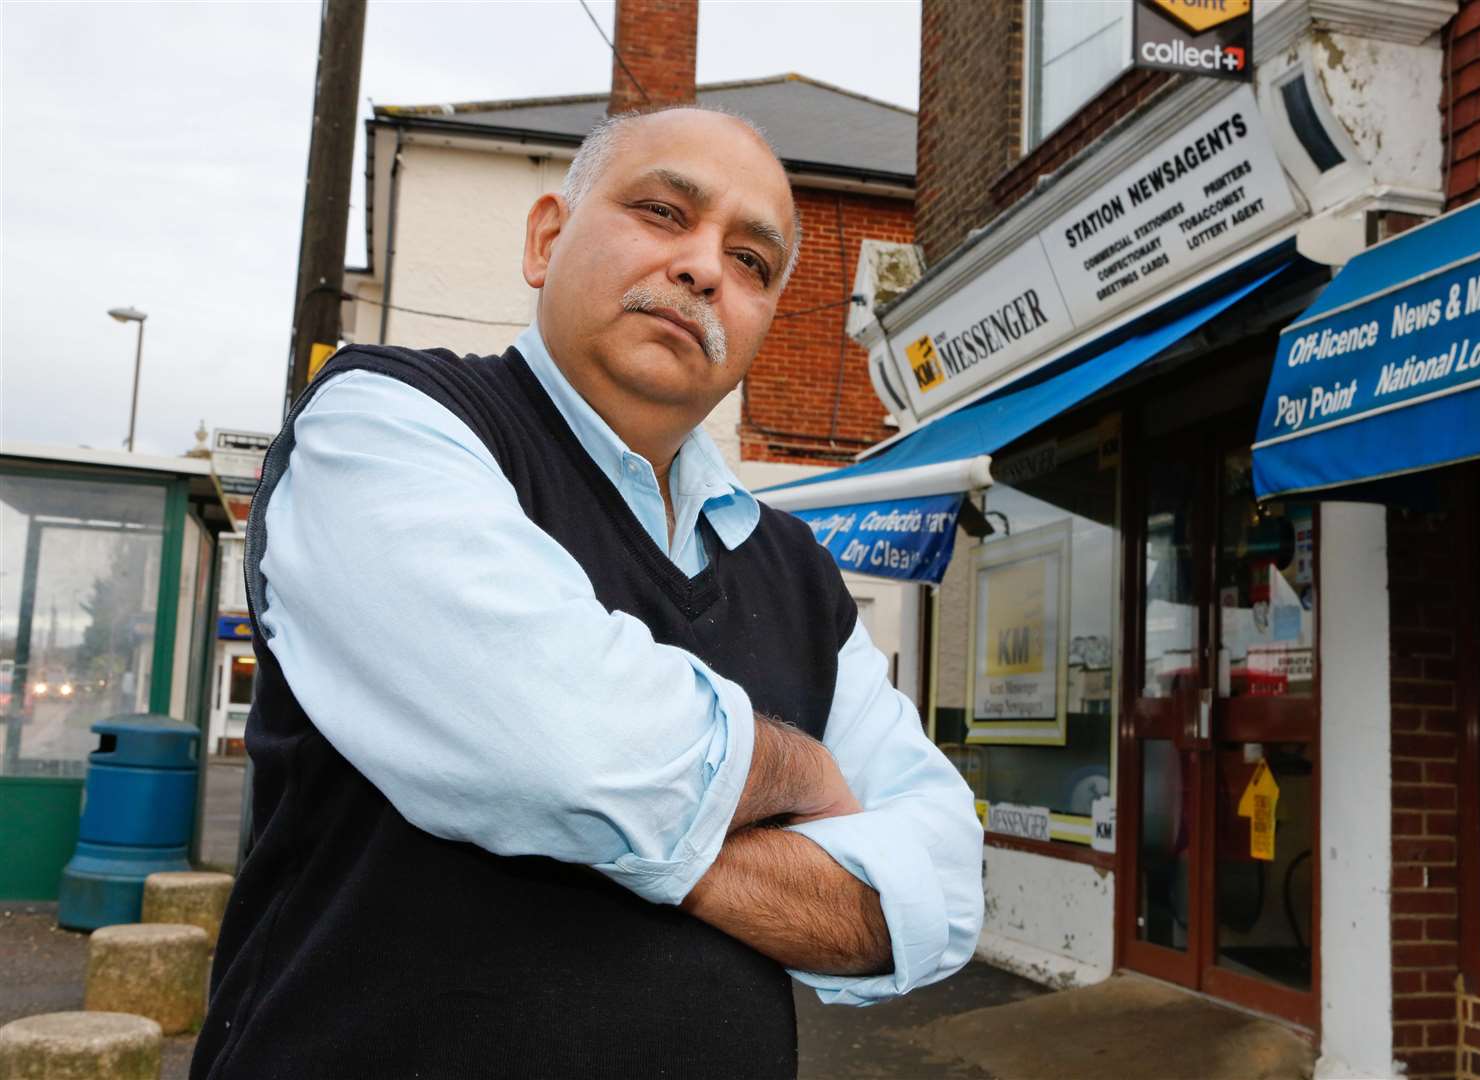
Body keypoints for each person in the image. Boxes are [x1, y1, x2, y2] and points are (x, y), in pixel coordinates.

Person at [191, 107, 983, 1079]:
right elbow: (556, 738)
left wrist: (605, 822)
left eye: (751, 261)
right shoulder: (383, 423)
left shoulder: (795, 572)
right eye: (662, 211)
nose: (703, 268)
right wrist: (801, 776)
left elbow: (940, 886)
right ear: (547, 239)